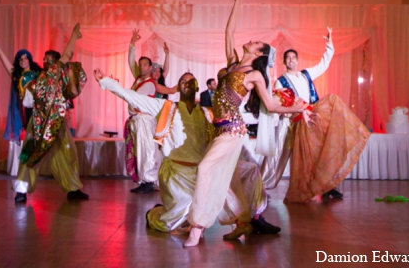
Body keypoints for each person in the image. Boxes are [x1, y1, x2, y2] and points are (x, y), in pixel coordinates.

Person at [184, 0, 307, 248]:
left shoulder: (254, 76)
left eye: (254, 43)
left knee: (205, 169)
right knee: (228, 179)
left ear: (259, 53)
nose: (249, 41)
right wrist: (237, 2)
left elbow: (271, 106)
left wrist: (297, 108)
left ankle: (197, 226)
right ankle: (242, 222)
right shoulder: (232, 64)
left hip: (232, 131)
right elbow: (228, 32)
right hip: (219, 130)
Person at [95, 70, 279, 235]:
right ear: (178, 87)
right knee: (171, 224)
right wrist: (109, 83)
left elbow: (238, 117)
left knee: (250, 169)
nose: (187, 84)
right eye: (183, 81)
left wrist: (278, 110)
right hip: (177, 173)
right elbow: (134, 98)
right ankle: (154, 213)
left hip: (205, 171)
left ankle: (255, 219)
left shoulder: (207, 113)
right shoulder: (166, 107)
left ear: (197, 86)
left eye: (191, 81)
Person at [267, 42, 371, 203]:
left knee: (321, 151)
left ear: (297, 60)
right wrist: (298, 111)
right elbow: (282, 105)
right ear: (284, 61)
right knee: (306, 157)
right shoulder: (280, 82)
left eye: (293, 57)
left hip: (314, 116)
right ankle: (307, 188)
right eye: (288, 58)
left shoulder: (305, 74)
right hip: (298, 120)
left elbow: (323, 65)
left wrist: (329, 46)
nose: (291, 60)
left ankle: (326, 186)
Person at [12, 24, 89, 202]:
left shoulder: (58, 74)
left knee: (67, 154)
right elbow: (29, 100)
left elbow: (67, 55)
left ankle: (73, 188)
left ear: (56, 63)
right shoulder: (37, 78)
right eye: (44, 59)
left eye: (49, 59)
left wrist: (74, 37)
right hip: (38, 122)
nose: (46, 62)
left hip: (57, 123)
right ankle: (21, 191)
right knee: (29, 154)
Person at [126, 30, 177, 194]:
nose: (141, 67)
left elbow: (171, 89)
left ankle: (149, 180)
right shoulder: (139, 79)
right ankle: (144, 180)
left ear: (151, 67)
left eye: (145, 65)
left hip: (147, 119)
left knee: (149, 149)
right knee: (141, 149)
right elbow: (130, 61)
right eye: (140, 65)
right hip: (136, 120)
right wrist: (132, 44)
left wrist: (185, 83)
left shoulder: (153, 83)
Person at [0, 27, 42, 142]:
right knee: (31, 139)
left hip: (41, 109)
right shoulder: (16, 75)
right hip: (28, 110)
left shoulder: (38, 73)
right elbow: (0, 54)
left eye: (25, 58)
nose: (23, 61)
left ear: (29, 60)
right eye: (20, 59)